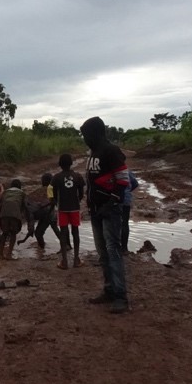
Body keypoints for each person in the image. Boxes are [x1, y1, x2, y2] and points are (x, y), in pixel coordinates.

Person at [80, 116, 131, 314]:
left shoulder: (111, 151)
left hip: (110, 211)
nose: (84, 139)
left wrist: (110, 204)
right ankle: (109, 290)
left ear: (96, 133)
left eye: (86, 135)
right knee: (102, 253)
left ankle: (121, 296)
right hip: (95, 211)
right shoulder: (93, 152)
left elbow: (123, 181)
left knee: (113, 252)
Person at [51, 154, 86, 269]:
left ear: (60, 164)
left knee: (63, 233)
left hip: (62, 209)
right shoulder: (78, 176)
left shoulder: (56, 177)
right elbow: (81, 193)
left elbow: (54, 193)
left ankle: (64, 261)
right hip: (74, 208)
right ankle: (76, 259)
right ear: (71, 163)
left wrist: (57, 203)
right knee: (75, 232)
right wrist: (77, 200)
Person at [0, 179, 33, 258]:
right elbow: (26, 206)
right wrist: (28, 220)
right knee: (13, 233)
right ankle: (9, 254)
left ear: (11, 186)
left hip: (4, 213)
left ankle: (0, 254)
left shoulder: (5, 192)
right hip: (15, 214)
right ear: (20, 187)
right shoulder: (22, 193)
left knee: (4, 233)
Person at [33, 172, 63, 251]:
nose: (41, 181)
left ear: (47, 180)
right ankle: (66, 245)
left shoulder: (50, 187)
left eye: (42, 180)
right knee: (56, 230)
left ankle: (42, 249)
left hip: (49, 213)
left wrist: (43, 207)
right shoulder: (53, 187)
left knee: (38, 233)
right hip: (52, 212)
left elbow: (52, 202)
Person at [121, 170, 139, 253]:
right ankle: (124, 248)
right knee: (124, 223)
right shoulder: (127, 172)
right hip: (126, 201)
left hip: (114, 202)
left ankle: (115, 247)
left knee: (113, 224)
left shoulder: (111, 171)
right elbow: (135, 183)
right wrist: (127, 191)